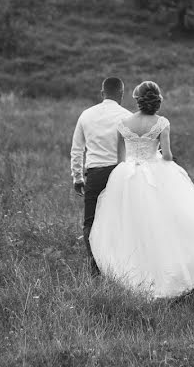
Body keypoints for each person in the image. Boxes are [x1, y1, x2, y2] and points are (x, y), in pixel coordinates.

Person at [89, 81, 194, 298]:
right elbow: (167, 155)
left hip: (127, 176)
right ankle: (172, 266)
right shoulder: (162, 123)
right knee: (168, 218)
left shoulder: (122, 123)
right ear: (156, 99)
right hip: (155, 173)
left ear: (137, 99)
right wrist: (157, 155)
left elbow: (120, 158)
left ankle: (132, 270)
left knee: (131, 223)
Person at [70, 77, 132, 276]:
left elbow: (77, 150)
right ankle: (120, 265)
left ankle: (96, 267)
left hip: (95, 174)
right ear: (121, 94)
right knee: (121, 220)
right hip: (120, 173)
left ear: (102, 92)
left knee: (91, 221)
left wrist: (77, 178)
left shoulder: (86, 115)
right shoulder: (128, 117)